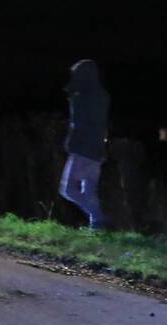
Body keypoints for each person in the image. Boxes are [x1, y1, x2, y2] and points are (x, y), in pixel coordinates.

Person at [59, 59, 110, 232]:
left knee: (67, 190)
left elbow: (77, 123)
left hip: (82, 148)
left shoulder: (80, 97)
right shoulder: (103, 96)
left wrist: (70, 142)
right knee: (89, 191)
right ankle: (95, 226)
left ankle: (98, 219)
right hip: (97, 149)